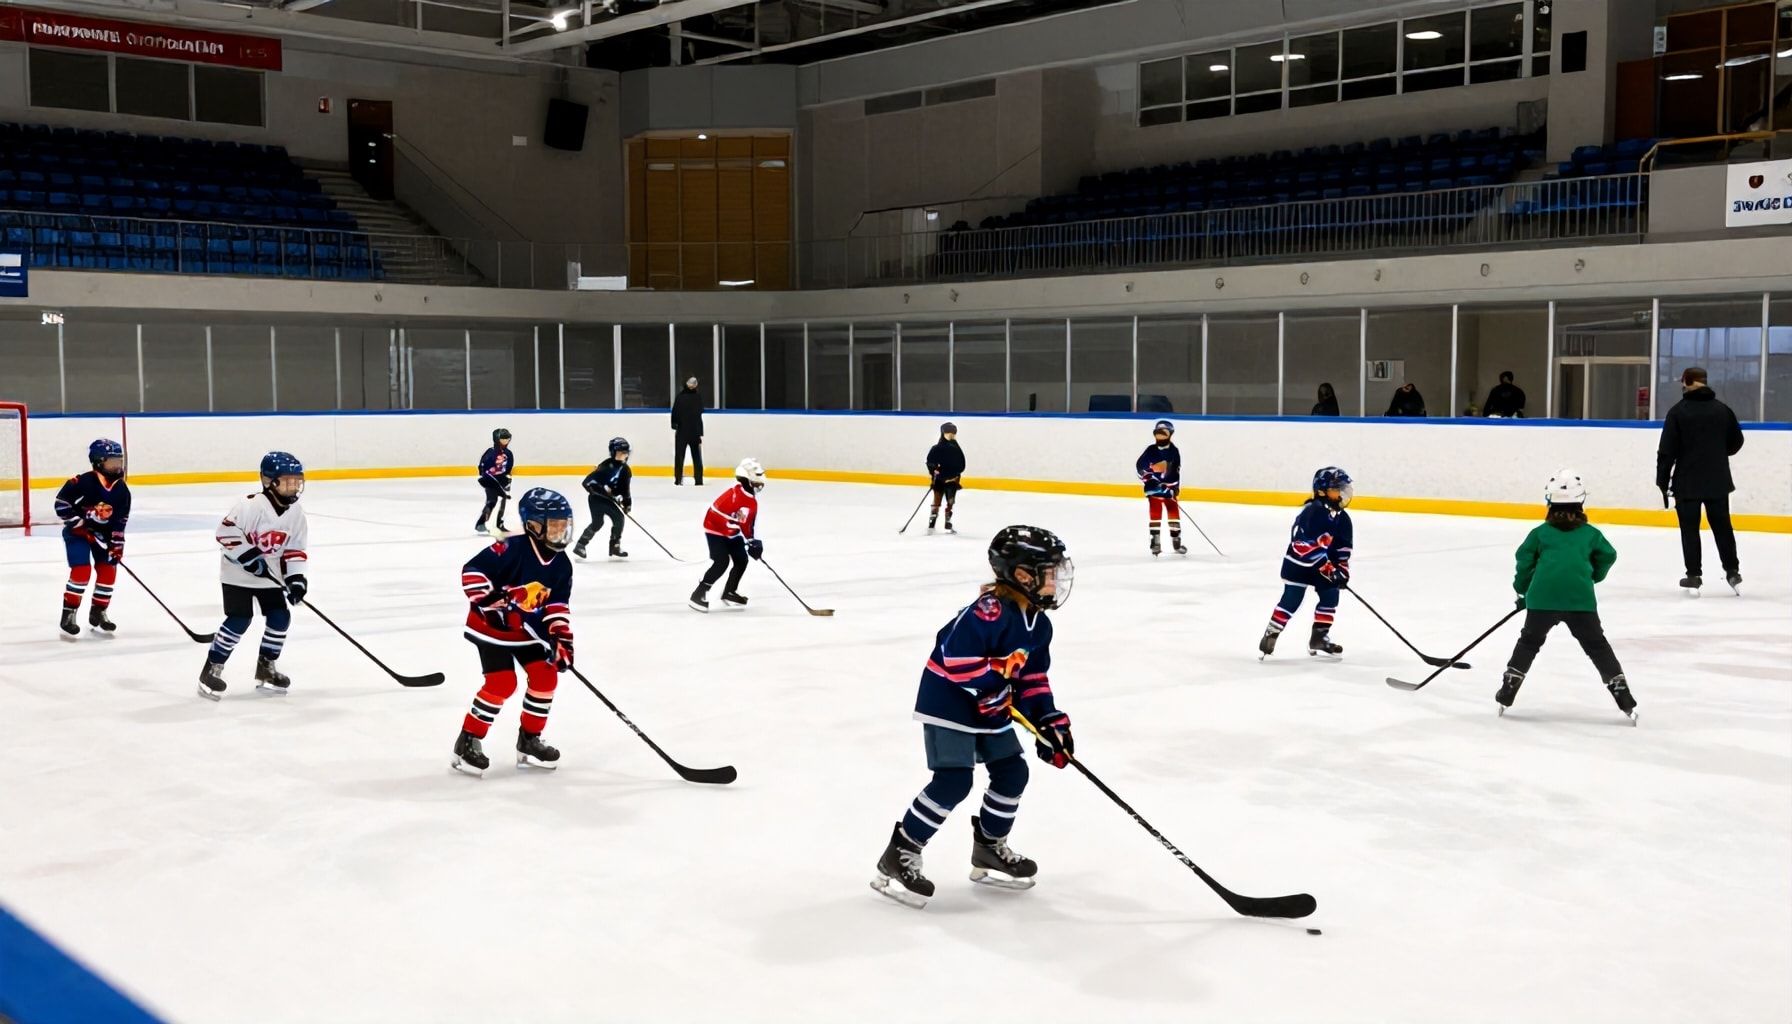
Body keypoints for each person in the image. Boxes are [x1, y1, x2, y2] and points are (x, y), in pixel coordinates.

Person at [871, 525, 1075, 909]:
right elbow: (957, 658)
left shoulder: (1039, 624)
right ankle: (900, 852)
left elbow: (1032, 678)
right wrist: (989, 689)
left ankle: (989, 848)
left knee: (1013, 773)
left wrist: (1049, 721)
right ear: (1021, 575)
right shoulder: (988, 612)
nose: (1056, 580)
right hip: (948, 704)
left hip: (990, 706)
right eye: (1048, 572)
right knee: (953, 781)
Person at [452, 487, 575, 775]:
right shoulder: (510, 547)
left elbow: (557, 605)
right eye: (554, 526)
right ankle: (467, 740)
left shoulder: (562, 564)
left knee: (546, 677)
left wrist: (561, 638)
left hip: (529, 632)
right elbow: (472, 572)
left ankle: (529, 739)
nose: (560, 532)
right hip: (492, 629)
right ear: (533, 525)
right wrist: (494, 599)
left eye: (564, 525)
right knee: (502, 683)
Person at [1497, 470, 1636, 724]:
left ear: (1549, 502)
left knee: (1529, 642)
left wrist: (1523, 590)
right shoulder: (1591, 534)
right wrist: (1592, 576)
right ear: (1581, 501)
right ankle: (1621, 692)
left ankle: (1510, 686)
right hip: (1580, 600)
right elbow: (1608, 555)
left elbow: (1524, 560)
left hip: (1542, 600)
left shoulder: (1540, 533)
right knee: (1597, 646)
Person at [199, 452, 309, 701]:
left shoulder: (296, 513)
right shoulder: (250, 506)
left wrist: (296, 579)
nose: (293, 487)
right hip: (237, 576)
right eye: (287, 482)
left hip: (270, 578)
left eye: (297, 482)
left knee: (280, 617)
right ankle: (212, 667)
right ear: (269, 481)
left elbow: (295, 550)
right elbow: (225, 533)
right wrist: (249, 557)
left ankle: (266, 667)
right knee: (239, 620)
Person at [1655, 366, 1745, 595]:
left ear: (1686, 381)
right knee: (1722, 527)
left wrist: (1662, 481)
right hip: (1717, 479)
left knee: (1690, 529)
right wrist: (1717, 453)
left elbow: (1667, 451)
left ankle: (1694, 575)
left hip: (1687, 481)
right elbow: (1736, 441)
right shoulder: (1723, 410)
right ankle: (1732, 570)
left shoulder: (1678, 412)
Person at [1259, 467, 1353, 660]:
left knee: (1330, 597)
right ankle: (1272, 632)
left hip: (1323, 566)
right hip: (1298, 565)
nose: (1341, 494)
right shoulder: (1312, 512)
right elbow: (1302, 547)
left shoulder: (1342, 519)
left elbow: (1342, 549)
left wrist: (1341, 570)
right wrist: (1329, 569)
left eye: (1342, 489)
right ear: (1322, 491)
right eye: (1336, 489)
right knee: (1292, 599)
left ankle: (1319, 638)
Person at [54, 439, 131, 640]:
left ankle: (98, 611)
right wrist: (79, 523)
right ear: (98, 462)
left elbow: (120, 521)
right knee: (82, 571)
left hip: (103, 537)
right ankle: (69, 614)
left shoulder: (122, 490)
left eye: (119, 461)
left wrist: (116, 545)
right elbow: (61, 504)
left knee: (108, 570)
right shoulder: (82, 482)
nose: (117, 466)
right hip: (78, 534)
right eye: (112, 462)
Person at [690, 458, 765, 612]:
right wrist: (740, 534)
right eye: (756, 483)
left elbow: (747, 523)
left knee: (741, 560)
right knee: (721, 562)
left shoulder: (751, 501)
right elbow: (716, 517)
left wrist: (752, 540)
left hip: (731, 533)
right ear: (746, 481)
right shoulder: (733, 496)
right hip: (715, 531)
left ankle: (729, 591)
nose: (759, 486)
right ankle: (698, 594)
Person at [574, 437, 632, 560]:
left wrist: (627, 503)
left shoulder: (626, 470)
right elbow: (587, 482)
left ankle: (582, 545)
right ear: (613, 452)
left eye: (625, 452)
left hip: (608, 500)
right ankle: (611, 546)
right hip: (596, 499)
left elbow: (625, 489)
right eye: (620, 452)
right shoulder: (606, 465)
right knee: (607, 521)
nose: (623, 455)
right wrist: (598, 491)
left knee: (609, 521)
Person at [1134, 419, 1184, 556]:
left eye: (1163, 433)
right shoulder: (1150, 451)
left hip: (1169, 491)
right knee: (1155, 513)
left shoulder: (1174, 451)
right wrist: (1150, 479)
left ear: (1170, 434)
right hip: (1154, 489)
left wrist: (1175, 487)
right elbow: (1140, 468)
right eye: (1158, 433)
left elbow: (1176, 471)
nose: (1160, 436)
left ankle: (1176, 540)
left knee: (1173, 513)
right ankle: (1155, 541)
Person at [926, 422, 965, 534]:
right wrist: (934, 470)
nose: (951, 435)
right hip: (939, 480)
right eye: (948, 433)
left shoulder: (956, 449)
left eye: (953, 433)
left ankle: (948, 522)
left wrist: (955, 473)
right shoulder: (936, 448)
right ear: (943, 433)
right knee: (936, 501)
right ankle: (932, 523)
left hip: (952, 480)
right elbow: (930, 462)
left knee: (950, 501)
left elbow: (962, 465)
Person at [475, 428, 514, 535]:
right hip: (490, 480)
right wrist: (485, 476)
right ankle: (481, 523)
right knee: (492, 501)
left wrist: (507, 479)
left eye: (507, 439)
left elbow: (509, 467)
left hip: (502, 480)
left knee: (503, 502)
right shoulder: (491, 452)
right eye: (503, 439)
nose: (505, 442)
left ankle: (499, 524)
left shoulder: (508, 453)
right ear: (497, 439)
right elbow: (482, 466)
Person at [671, 377, 705, 486]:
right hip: (694, 431)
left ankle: (678, 479)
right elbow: (700, 412)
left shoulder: (680, 397)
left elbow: (675, 413)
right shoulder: (698, 397)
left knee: (679, 456)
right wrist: (700, 432)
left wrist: (675, 425)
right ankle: (699, 479)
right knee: (696, 456)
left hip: (682, 431)